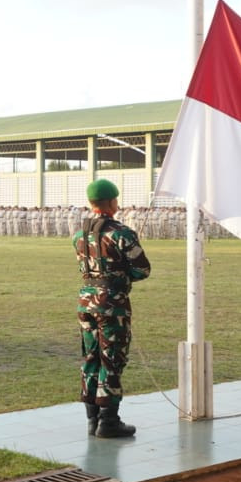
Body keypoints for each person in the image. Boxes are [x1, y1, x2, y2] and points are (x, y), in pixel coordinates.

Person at [74, 179, 151, 438]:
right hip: (112, 304)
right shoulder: (122, 233)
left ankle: (91, 419)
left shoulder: (79, 234)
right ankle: (109, 420)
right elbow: (142, 270)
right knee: (112, 360)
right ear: (113, 202)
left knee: (91, 358)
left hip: (86, 302)